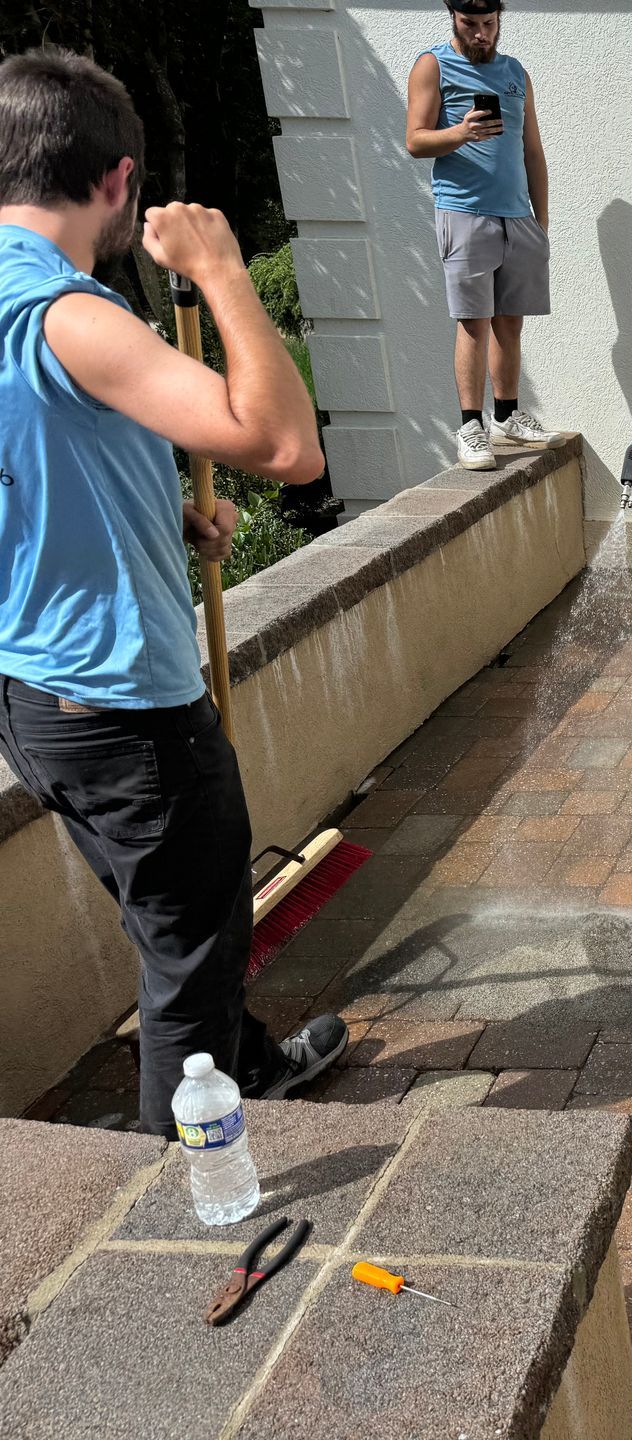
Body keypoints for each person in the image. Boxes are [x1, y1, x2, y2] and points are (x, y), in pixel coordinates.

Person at [0, 48, 347, 1134]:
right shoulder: (73, 315)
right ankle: (177, 1197)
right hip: (124, 711)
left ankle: (251, 1066)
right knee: (190, 966)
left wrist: (161, 518)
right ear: (117, 182)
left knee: (177, 931)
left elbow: (37, 470)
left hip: (30, 700)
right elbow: (287, 445)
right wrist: (222, 271)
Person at [405, 0, 561, 471]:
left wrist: (542, 218)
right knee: (474, 320)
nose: (480, 34)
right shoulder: (432, 65)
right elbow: (414, 140)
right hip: (464, 210)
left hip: (517, 215)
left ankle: (507, 417)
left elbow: (532, 150)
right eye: (470, 25)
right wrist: (461, 132)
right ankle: (470, 426)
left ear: (499, 20)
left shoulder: (515, 72)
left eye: (488, 25)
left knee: (510, 321)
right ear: (452, 17)